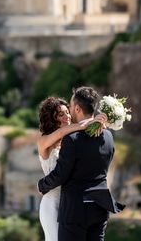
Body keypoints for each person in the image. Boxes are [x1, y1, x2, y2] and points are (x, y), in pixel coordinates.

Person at [38, 86, 123, 241]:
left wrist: (41, 185)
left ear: (76, 108)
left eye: (68, 109)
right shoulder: (108, 137)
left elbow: (62, 174)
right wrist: (87, 124)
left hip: (73, 207)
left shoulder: (74, 139)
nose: (67, 115)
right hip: (66, 204)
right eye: (60, 114)